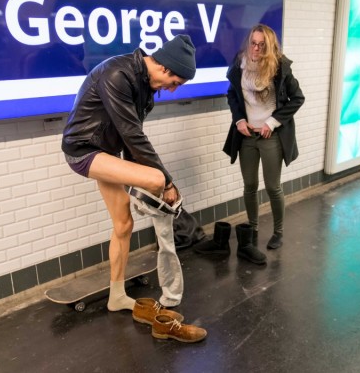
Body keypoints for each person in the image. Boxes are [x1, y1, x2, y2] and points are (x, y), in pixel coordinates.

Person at [61, 35, 197, 310]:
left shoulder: (145, 85)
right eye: (175, 83)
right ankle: (149, 203)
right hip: (83, 151)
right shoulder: (117, 74)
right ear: (166, 69)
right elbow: (132, 134)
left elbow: (130, 142)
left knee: (123, 224)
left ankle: (116, 296)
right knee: (156, 179)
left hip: (106, 152)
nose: (172, 90)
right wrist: (166, 183)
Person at [195, 24, 304, 264]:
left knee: (273, 186)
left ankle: (278, 232)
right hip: (246, 136)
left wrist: (273, 122)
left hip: (269, 136)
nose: (255, 48)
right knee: (250, 185)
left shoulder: (279, 67)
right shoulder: (240, 63)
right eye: (253, 43)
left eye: (261, 45)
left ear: (269, 46)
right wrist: (239, 119)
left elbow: (298, 98)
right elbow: (232, 94)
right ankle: (252, 228)